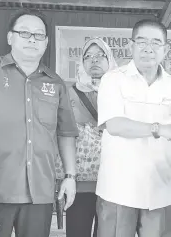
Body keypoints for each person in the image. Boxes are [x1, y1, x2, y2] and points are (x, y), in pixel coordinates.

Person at [96, 19, 171, 237]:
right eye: (142, 41)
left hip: (160, 189)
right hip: (118, 189)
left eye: (156, 42)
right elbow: (115, 125)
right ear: (131, 46)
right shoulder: (113, 80)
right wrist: (160, 129)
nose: (149, 48)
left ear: (165, 49)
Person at [0, 9, 78, 237]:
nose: (32, 39)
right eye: (24, 33)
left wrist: (70, 177)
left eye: (38, 35)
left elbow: (66, 133)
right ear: (10, 38)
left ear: (46, 42)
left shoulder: (56, 83)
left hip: (39, 191)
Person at [65, 37, 117, 237]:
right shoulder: (69, 92)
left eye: (100, 55)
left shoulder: (123, 91)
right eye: (88, 56)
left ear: (109, 59)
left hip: (115, 182)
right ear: (82, 62)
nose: (94, 60)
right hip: (81, 183)